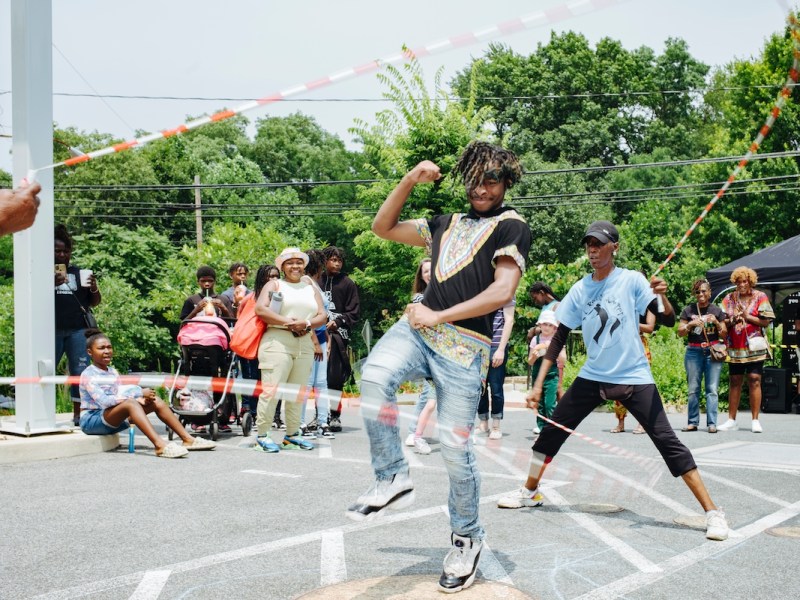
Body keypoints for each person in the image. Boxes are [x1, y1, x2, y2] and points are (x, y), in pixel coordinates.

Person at [346, 141, 531, 593]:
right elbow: (382, 227)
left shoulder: (512, 226)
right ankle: (391, 475)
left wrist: (439, 315)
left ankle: (467, 540)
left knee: (454, 450)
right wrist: (410, 179)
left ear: (507, 182)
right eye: (475, 179)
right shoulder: (443, 223)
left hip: (465, 347)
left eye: (492, 180)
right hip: (418, 331)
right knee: (374, 377)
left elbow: (502, 292)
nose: (481, 189)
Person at [497, 220, 729, 544]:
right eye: (589, 245)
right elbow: (559, 336)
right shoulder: (580, 289)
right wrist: (537, 385)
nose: (592, 250)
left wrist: (663, 297)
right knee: (551, 432)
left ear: (614, 247)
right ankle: (530, 491)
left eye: (599, 244)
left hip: (634, 375)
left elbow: (666, 320)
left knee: (668, 443)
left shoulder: (632, 280)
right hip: (593, 375)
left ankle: (713, 512)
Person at [79, 330, 216, 457]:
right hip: (92, 421)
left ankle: (188, 439)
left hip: (111, 417)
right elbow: (105, 402)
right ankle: (160, 445)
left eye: (109, 347)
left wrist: (140, 400)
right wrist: (138, 393)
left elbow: (119, 394)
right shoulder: (88, 374)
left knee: (155, 401)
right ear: (90, 352)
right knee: (131, 403)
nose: (107, 351)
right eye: (101, 348)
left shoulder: (112, 371)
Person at [252, 248, 328, 453]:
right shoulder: (275, 284)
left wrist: (306, 323)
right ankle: (262, 435)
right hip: (278, 340)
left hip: (304, 340)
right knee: (272, 390)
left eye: (299, 262)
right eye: (290, 263)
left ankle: (292, 436)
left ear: (304, 265)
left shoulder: (309, 286)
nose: (295, 266)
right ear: (282, 266)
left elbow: (322, 315)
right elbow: (260, 309)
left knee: (297, 392)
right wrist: (288, 322)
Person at [54, 224, 102, 427]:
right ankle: (43, 413)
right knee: (46, 370)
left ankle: (78, 414)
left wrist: (94, 287)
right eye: (57, 251)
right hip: (51, 330)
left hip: (78, 330)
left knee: (80, 372)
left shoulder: (78, 272)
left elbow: (94, 302)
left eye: (66, 251)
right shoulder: (40, 273)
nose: (62, 255)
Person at [718, 267, 775, 433]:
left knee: (754, 379)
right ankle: (731, 420)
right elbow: (721, 321)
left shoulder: (760, 296)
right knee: (735, 380)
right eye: (738, 282)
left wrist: (747, 317)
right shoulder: (729, 298)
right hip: (735, 346)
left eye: (745, 281)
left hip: (754, 346)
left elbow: (766, 322)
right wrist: (732, 320)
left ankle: (755, 420)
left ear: (751, 282)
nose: (742, 285)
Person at [678, 278, 728, 433]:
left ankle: (712, 423)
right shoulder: (689, 310)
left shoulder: (716, 311)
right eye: (698, 291)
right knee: (693, 389)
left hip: (712, 352)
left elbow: (724, 334)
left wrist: (717, 322)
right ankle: (692, 422)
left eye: (704, 291)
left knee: (712, 389)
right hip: (693, 352)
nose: (701, 294)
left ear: (709, 293)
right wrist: (690, 324)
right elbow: (680, 332)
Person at [320, 246, 360, 432]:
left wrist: (338, 321)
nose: (337, 264)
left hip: (337, 337)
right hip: (315, 335)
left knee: (334, 378)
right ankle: (319, 416)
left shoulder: (347, 283)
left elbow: (354, 312)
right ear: (324, 261)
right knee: (316, 378)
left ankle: (335, 415)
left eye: (340, 261)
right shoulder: (316, 281)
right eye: (333, 260)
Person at [403, 257, 437, 455]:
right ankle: (414, 433)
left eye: (432, 270)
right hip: (428, 353)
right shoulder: (419, 298)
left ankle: (415, 432)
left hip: (446, 352)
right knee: (428, 399)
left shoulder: (447, 293)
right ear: (421, 276)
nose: (429, 274)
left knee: (433, 398)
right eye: (425, 271)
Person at [300, 249, 335, 438]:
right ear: (318, 264)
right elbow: (306, 315)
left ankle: (323, 422)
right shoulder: (306, 282)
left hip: (321, 337)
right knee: (306, 383)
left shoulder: (315, 283)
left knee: (321, 383)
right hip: (309, 339)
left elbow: (322, 315)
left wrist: (327, 338)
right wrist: (314, 342)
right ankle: (300, 423)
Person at [221, 262, 260, 420]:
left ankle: (248, 405)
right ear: (231, 275)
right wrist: (237, 304)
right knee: (233, 372)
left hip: (248, 337)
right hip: (233, 336)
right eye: (239, 273)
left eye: (244, 273)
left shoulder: (252, 294)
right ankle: (231, 408)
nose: (242, 276)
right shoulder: (226, 295)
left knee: (249, 372)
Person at [610, 303, 656, 435]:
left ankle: (642, 423)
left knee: (641, 385)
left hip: (640, 345)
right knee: (619, 384)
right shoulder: (621, 301)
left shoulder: (648, 304)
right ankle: (620, 422)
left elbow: (650, 328)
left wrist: (630, 323)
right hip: (622, 344)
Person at [476, 300, 514, 439]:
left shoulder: (506, 292)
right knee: (480, 387)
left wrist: (501, 349)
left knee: (496, 388)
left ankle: (496, 426)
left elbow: (509, 320)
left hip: (496, 346)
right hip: (479, 345)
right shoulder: (481, 290)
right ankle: (483, 423)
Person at [528, 310, 565, 435]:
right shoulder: (535, 339)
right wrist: (534, 356)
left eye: (550, 325)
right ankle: (541, 426)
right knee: (540, 404)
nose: (547, 327)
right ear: (540, 324)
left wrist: (553, 348)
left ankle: (553, 427)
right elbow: (530, 362)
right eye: (545, 324)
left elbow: (563, 359)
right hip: (537, 375)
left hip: (551, 376)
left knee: (549, 404)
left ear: (554, 327)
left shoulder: (557, 339)